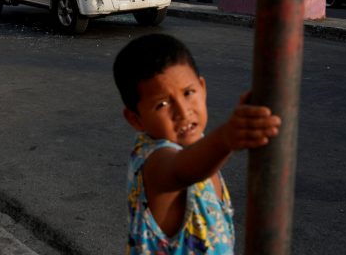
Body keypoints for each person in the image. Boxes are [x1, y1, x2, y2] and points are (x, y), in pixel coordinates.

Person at [113, 34, 281, 254]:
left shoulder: (197, 145)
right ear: (136, 119)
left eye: (188, 93)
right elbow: (180, 170)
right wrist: (226, 138)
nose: (183, 112)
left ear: (202, 88)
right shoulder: (153, 161)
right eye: (162, 104)